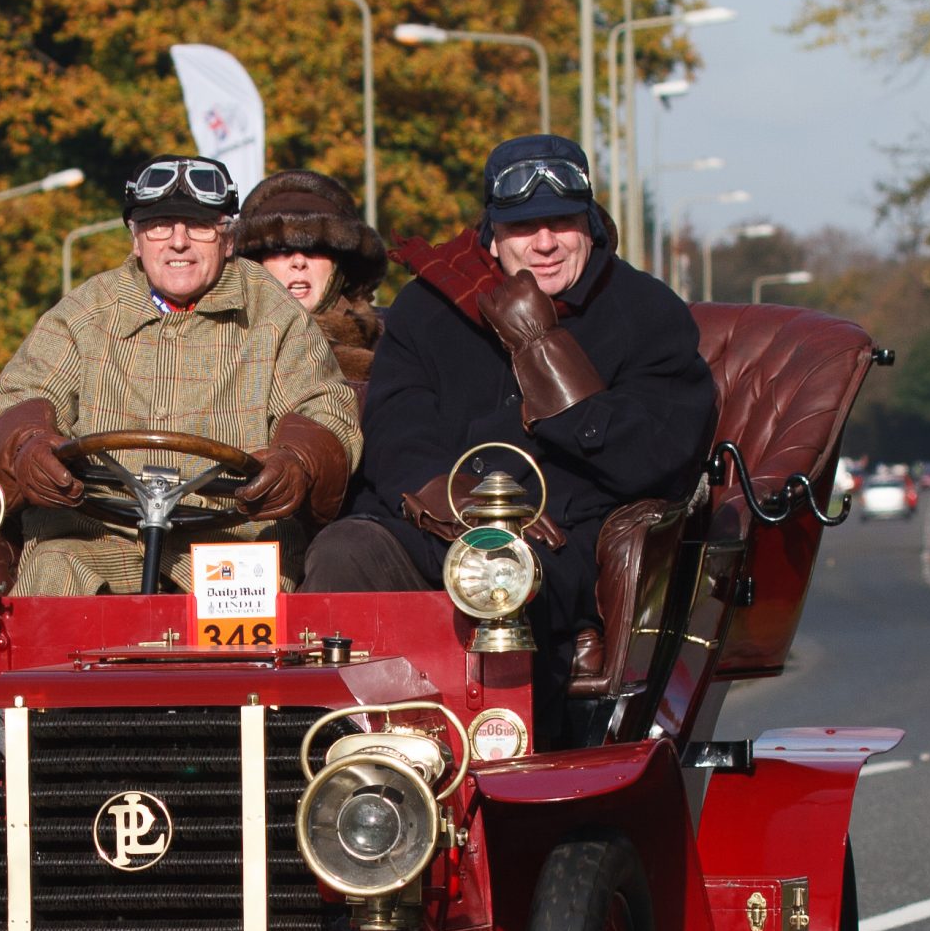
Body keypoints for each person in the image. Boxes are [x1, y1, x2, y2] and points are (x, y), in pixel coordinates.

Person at [306, 134, 719, 714]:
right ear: (492, 235)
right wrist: (436, 493)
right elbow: (396, 420)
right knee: (343, 548)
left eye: (562, 222)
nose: (545, 242)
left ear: (591, 225)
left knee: (507, 576)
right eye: (524, 227)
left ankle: (508, 756)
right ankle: (340, 747)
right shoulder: (431, 304)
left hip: (555, 539)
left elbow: (662, 453)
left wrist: (548, 360)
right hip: (429, 519)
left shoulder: (647, 312)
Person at [0, 154, 361, 594]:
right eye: (159, 225)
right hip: (96, 532)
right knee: (50, 571)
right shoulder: (85, 313)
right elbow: (18, 397)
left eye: (199, 226)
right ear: (136, 239)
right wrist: (27, 446)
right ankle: (45, 667)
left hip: (233, 534)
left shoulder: (275, 316)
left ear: (228, 239)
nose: (178, 242)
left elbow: (327, 408)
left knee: (257, 603)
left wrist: (299, 461)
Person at [236, 169, 387, 382]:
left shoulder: (392, 342)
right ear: (256, 263)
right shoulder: (217, 342)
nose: (299, 262)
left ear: (339, 263)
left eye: (314, 249)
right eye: (281, 249)